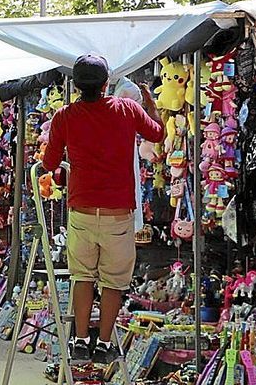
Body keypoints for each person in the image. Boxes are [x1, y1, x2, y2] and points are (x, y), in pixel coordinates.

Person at [42, 54, 164, 364]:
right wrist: (150, 103)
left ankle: (81, 341)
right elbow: (158, 134)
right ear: (106, 83)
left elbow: (49, 164)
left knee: (82, 277)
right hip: (118, 215)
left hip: (82, 211)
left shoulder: (64, 116)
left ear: (76, 85)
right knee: (113, 282)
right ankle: (105, 343)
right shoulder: (127, 109)